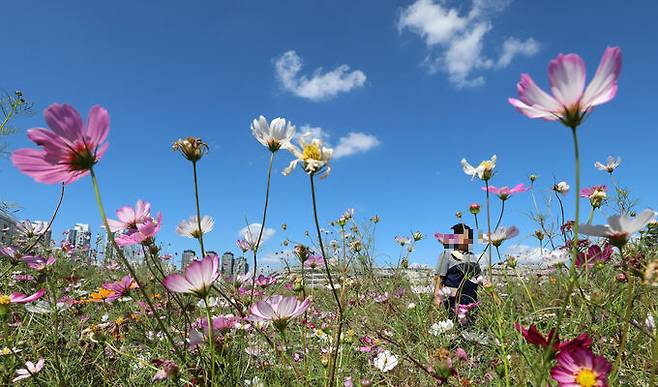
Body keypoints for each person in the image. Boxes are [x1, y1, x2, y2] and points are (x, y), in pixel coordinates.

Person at [433, 223, 482, 320]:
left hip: (471, 298)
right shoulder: (446, 255)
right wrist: (437, 298)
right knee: (455, 323)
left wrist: (493, 295)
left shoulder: (472, 256)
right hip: (453, 299)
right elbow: (439, 278)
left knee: (471, 324)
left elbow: (479, 277)